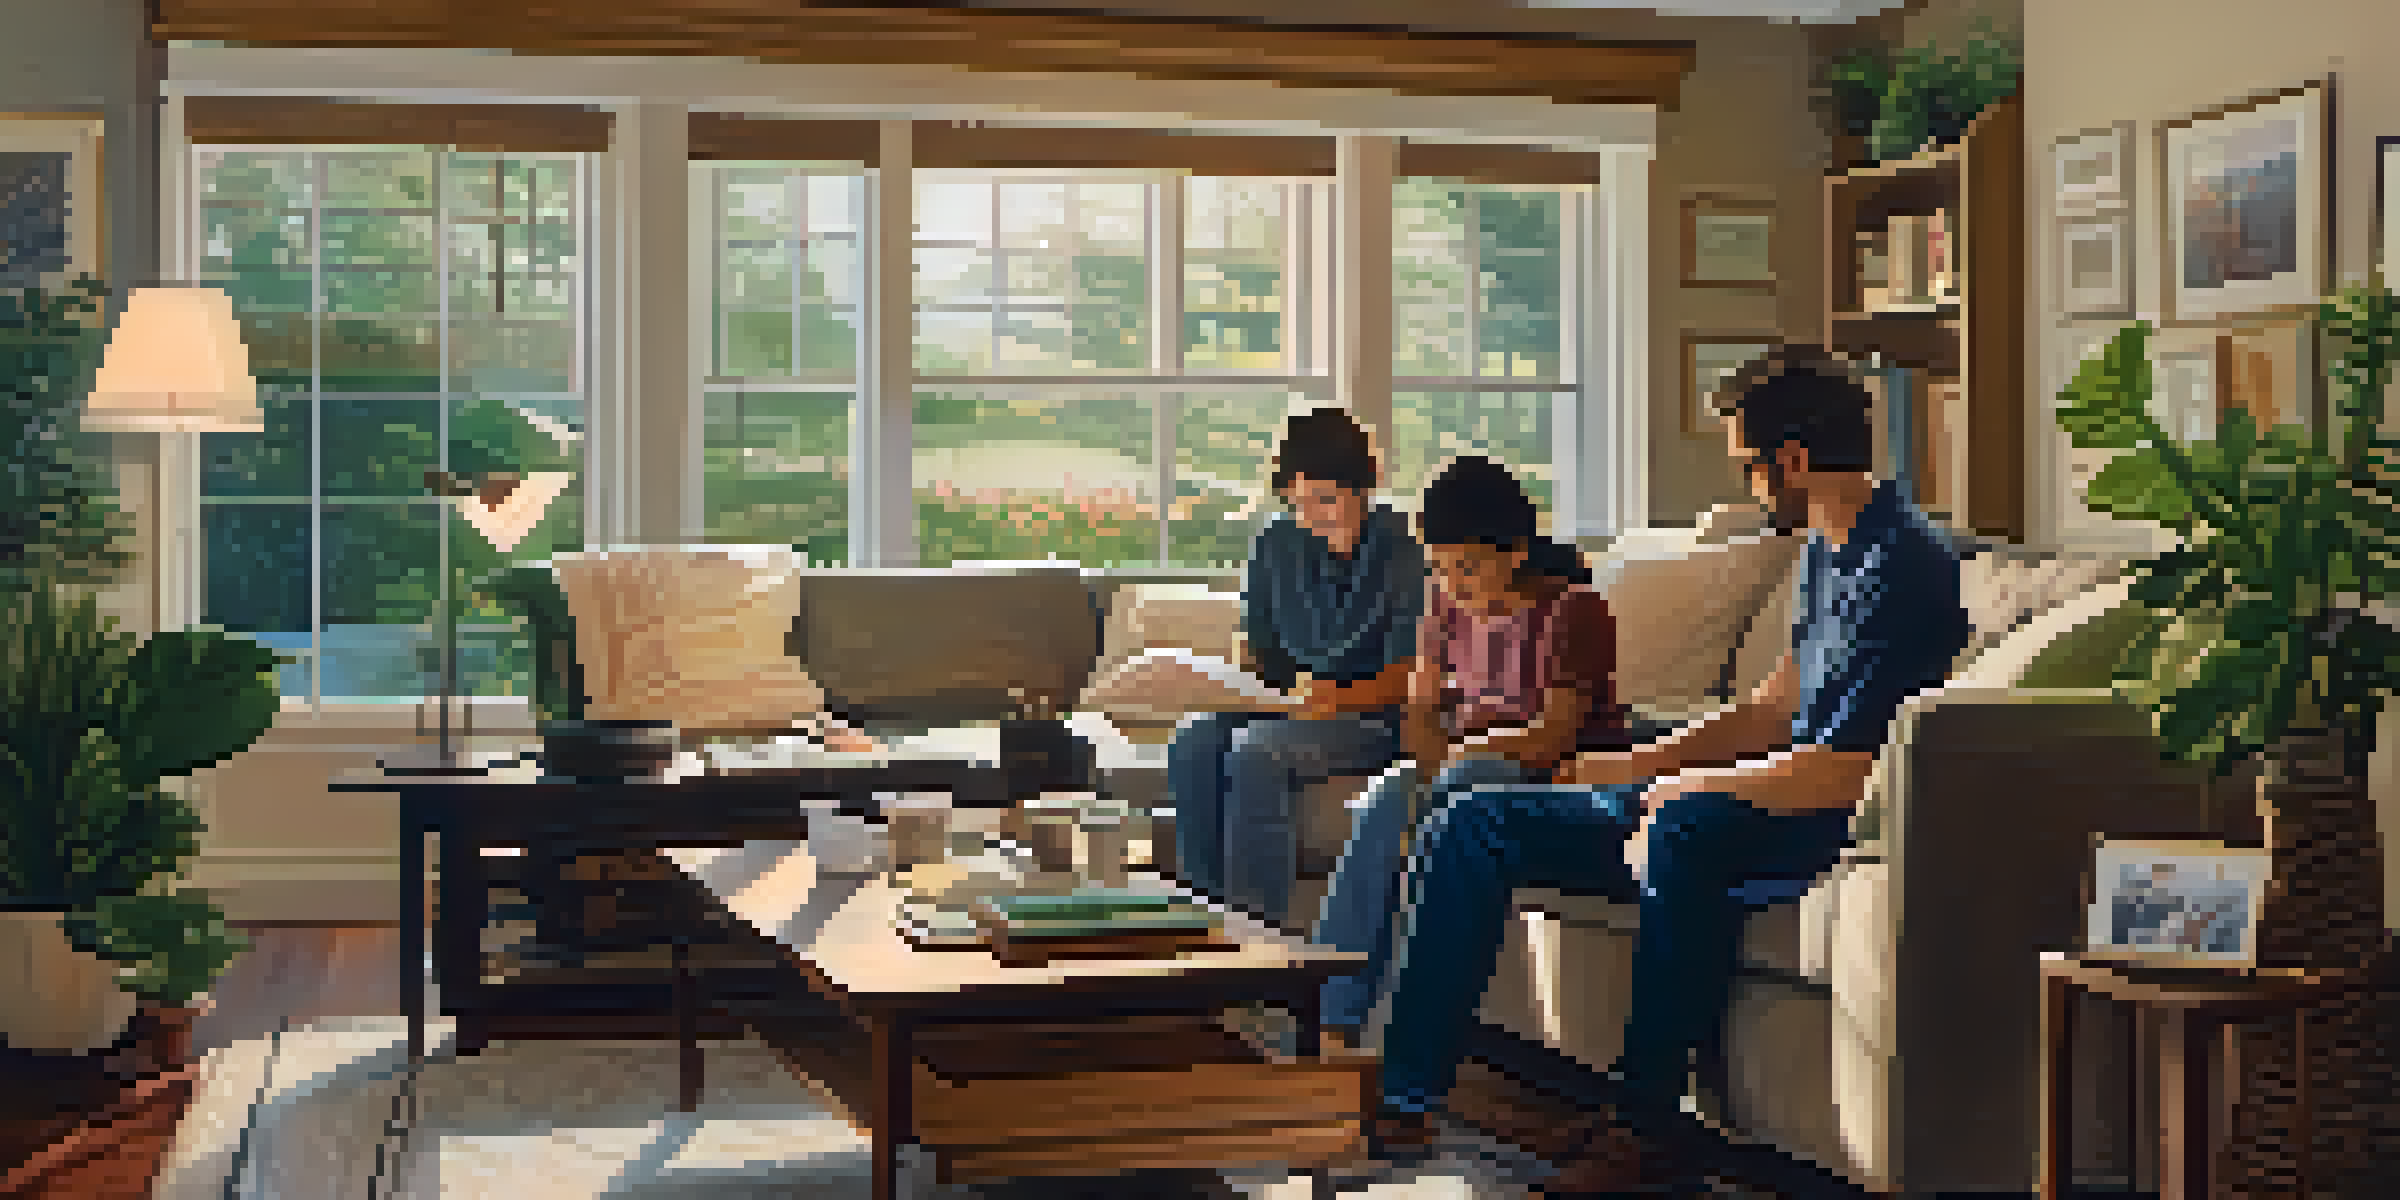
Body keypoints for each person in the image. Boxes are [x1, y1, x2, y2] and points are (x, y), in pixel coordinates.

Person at [1356, 347, 1970, 1194]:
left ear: (1789, 458)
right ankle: (1408, 1091)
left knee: (1683, 825)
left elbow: (1845, 771)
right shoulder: (1827, 553)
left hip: (1812, 818)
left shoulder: (1903, 566)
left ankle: (1644, 1128)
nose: (1750, 486)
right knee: (1476, 815)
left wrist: (1684, 787)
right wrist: (1632, 766)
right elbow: (1768, 711)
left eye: (1749, 465)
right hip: (1759, 791)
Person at [1314, 453, 1622, 1046]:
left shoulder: (1573, 610)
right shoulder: (1444, 605)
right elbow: (1420, 719)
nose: (1455, 584)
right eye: (1442, 568)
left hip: (1553, 777)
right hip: (1464, 767)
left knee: (1457, 786)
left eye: (1470, 568)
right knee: (1386, 797)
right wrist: (1439, 763)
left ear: (1516, 551)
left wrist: (1457, 759)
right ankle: (1331, 1021)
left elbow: (1551, 737)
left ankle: (1391, 1040)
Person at [1168, 407, 1425, 927]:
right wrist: (1248, 677)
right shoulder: (1276, 541)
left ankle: (1258, 944)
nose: (1312, 516)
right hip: (1292, 707)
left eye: (1326, 500)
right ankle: (1199, 924)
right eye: (1298, 502)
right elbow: (1260, 645)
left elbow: (1412, 673)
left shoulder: (1403, 548)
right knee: (1193, 741)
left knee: (1257, 750)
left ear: (1363, 487)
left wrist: (1337, 699)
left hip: (1370, 718)